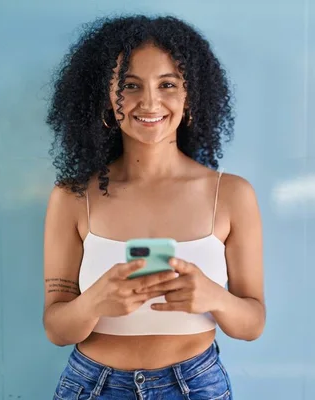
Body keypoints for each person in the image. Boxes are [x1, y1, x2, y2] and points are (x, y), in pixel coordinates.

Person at [42, 14, 265, 399]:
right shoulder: (72, 196)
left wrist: (213, 297)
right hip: (92, 386)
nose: (149, 102)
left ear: (190, 95)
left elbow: (253, 322)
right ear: (106, 99)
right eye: (130, 85)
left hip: (195, 386)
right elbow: (57, 329)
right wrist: (96, 301)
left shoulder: (231, 195)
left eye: (167, 84)